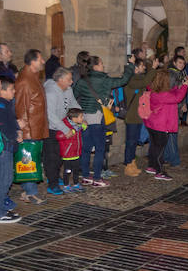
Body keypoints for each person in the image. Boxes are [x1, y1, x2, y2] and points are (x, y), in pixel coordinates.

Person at [72, 55, 134, 187]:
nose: (103, 66)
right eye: (101, 64)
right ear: (95, 66)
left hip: (84, 119)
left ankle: (86, 176)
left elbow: (74, 95)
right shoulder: (104, 79)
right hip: (97, 117)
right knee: (100, 149)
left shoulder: (82, 80)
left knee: (86, 149)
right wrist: (130, 66)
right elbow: (123, 80)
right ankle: (97, 178)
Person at [142, 69, 188, 180]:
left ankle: (152, 166)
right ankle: (159, 171)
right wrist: (185, 86)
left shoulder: (154, 90)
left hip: (152, 124)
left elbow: (172, 93)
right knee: (160, 149)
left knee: (154, 146)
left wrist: (178, 88)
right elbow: (177, 98)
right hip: (161, 125)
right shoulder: (163, 95)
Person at [15, 49, 48, 204]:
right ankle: (30, 192)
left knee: (32, 159)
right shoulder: (25, 81)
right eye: (40, 59)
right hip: (29, 129)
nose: (43, 61)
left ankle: (28, 189)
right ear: (33, 61)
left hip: (36, 126)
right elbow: (20, 107)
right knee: (28, 159)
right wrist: (23, 131)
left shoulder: (33, 78)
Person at [0, 77, 24, 223]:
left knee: (5, 178)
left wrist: (18, 130)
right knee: (3, 179)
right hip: (2, 148)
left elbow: (11, 123)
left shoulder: (6, 104)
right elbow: (2, 127)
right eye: (11, 89)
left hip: (7, 147)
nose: (14, 91)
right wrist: (15, 133)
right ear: (1, 91)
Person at [44, 67, 81, 194]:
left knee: (61, 155)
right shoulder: (50, 93)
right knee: (51, 157)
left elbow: (73, 104)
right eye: (69, 79)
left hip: (62, 126)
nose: (71, 82)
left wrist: (81, 117)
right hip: (50, 128)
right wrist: (65, 129)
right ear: (60, 80)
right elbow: (50, 115)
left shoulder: (68, 89)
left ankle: (55, 176)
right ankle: (52, 184)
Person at [122, 58, 155, 176]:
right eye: (142, 66)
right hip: (131, 116)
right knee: (130, 141)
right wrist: (153, 69)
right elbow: (145, 82)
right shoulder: (131, 80)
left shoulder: (138, 79)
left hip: (138, 116)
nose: (144, 68)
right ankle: (128, 165)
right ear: (135, 68)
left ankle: (132, 163)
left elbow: (146, 82)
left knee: (134, 141)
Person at [56, 107, 86, 191]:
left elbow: (81, 128)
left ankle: (76, 183)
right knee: (68, 171)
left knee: (76, 170)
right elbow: (59, 136)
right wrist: (71, 132)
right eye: (81, 117)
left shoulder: (77, 125)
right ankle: (66, 185)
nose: (83, 118)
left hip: (76, 153)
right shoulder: (65, 125)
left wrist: (82, 126)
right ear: (74, 118)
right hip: (68, 154)